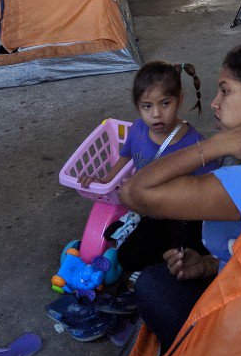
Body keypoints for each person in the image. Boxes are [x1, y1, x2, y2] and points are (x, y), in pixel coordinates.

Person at [120, 44, 241, 352]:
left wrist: (216, 145)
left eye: (225, 91)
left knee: (152, 285)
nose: (214, 103)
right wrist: (210, 265)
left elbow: (134, 191)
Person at [82, 60, 213, 274]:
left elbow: (209, 189)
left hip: (182, 217)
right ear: (138, 106)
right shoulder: (137, 130)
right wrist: (105, 180)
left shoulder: (194, 143)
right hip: (150, 212)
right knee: (126, 258)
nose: (156, 114)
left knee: (184, 257)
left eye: (165, 103)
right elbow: (125, 157)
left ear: (179, 99)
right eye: (147, 106)